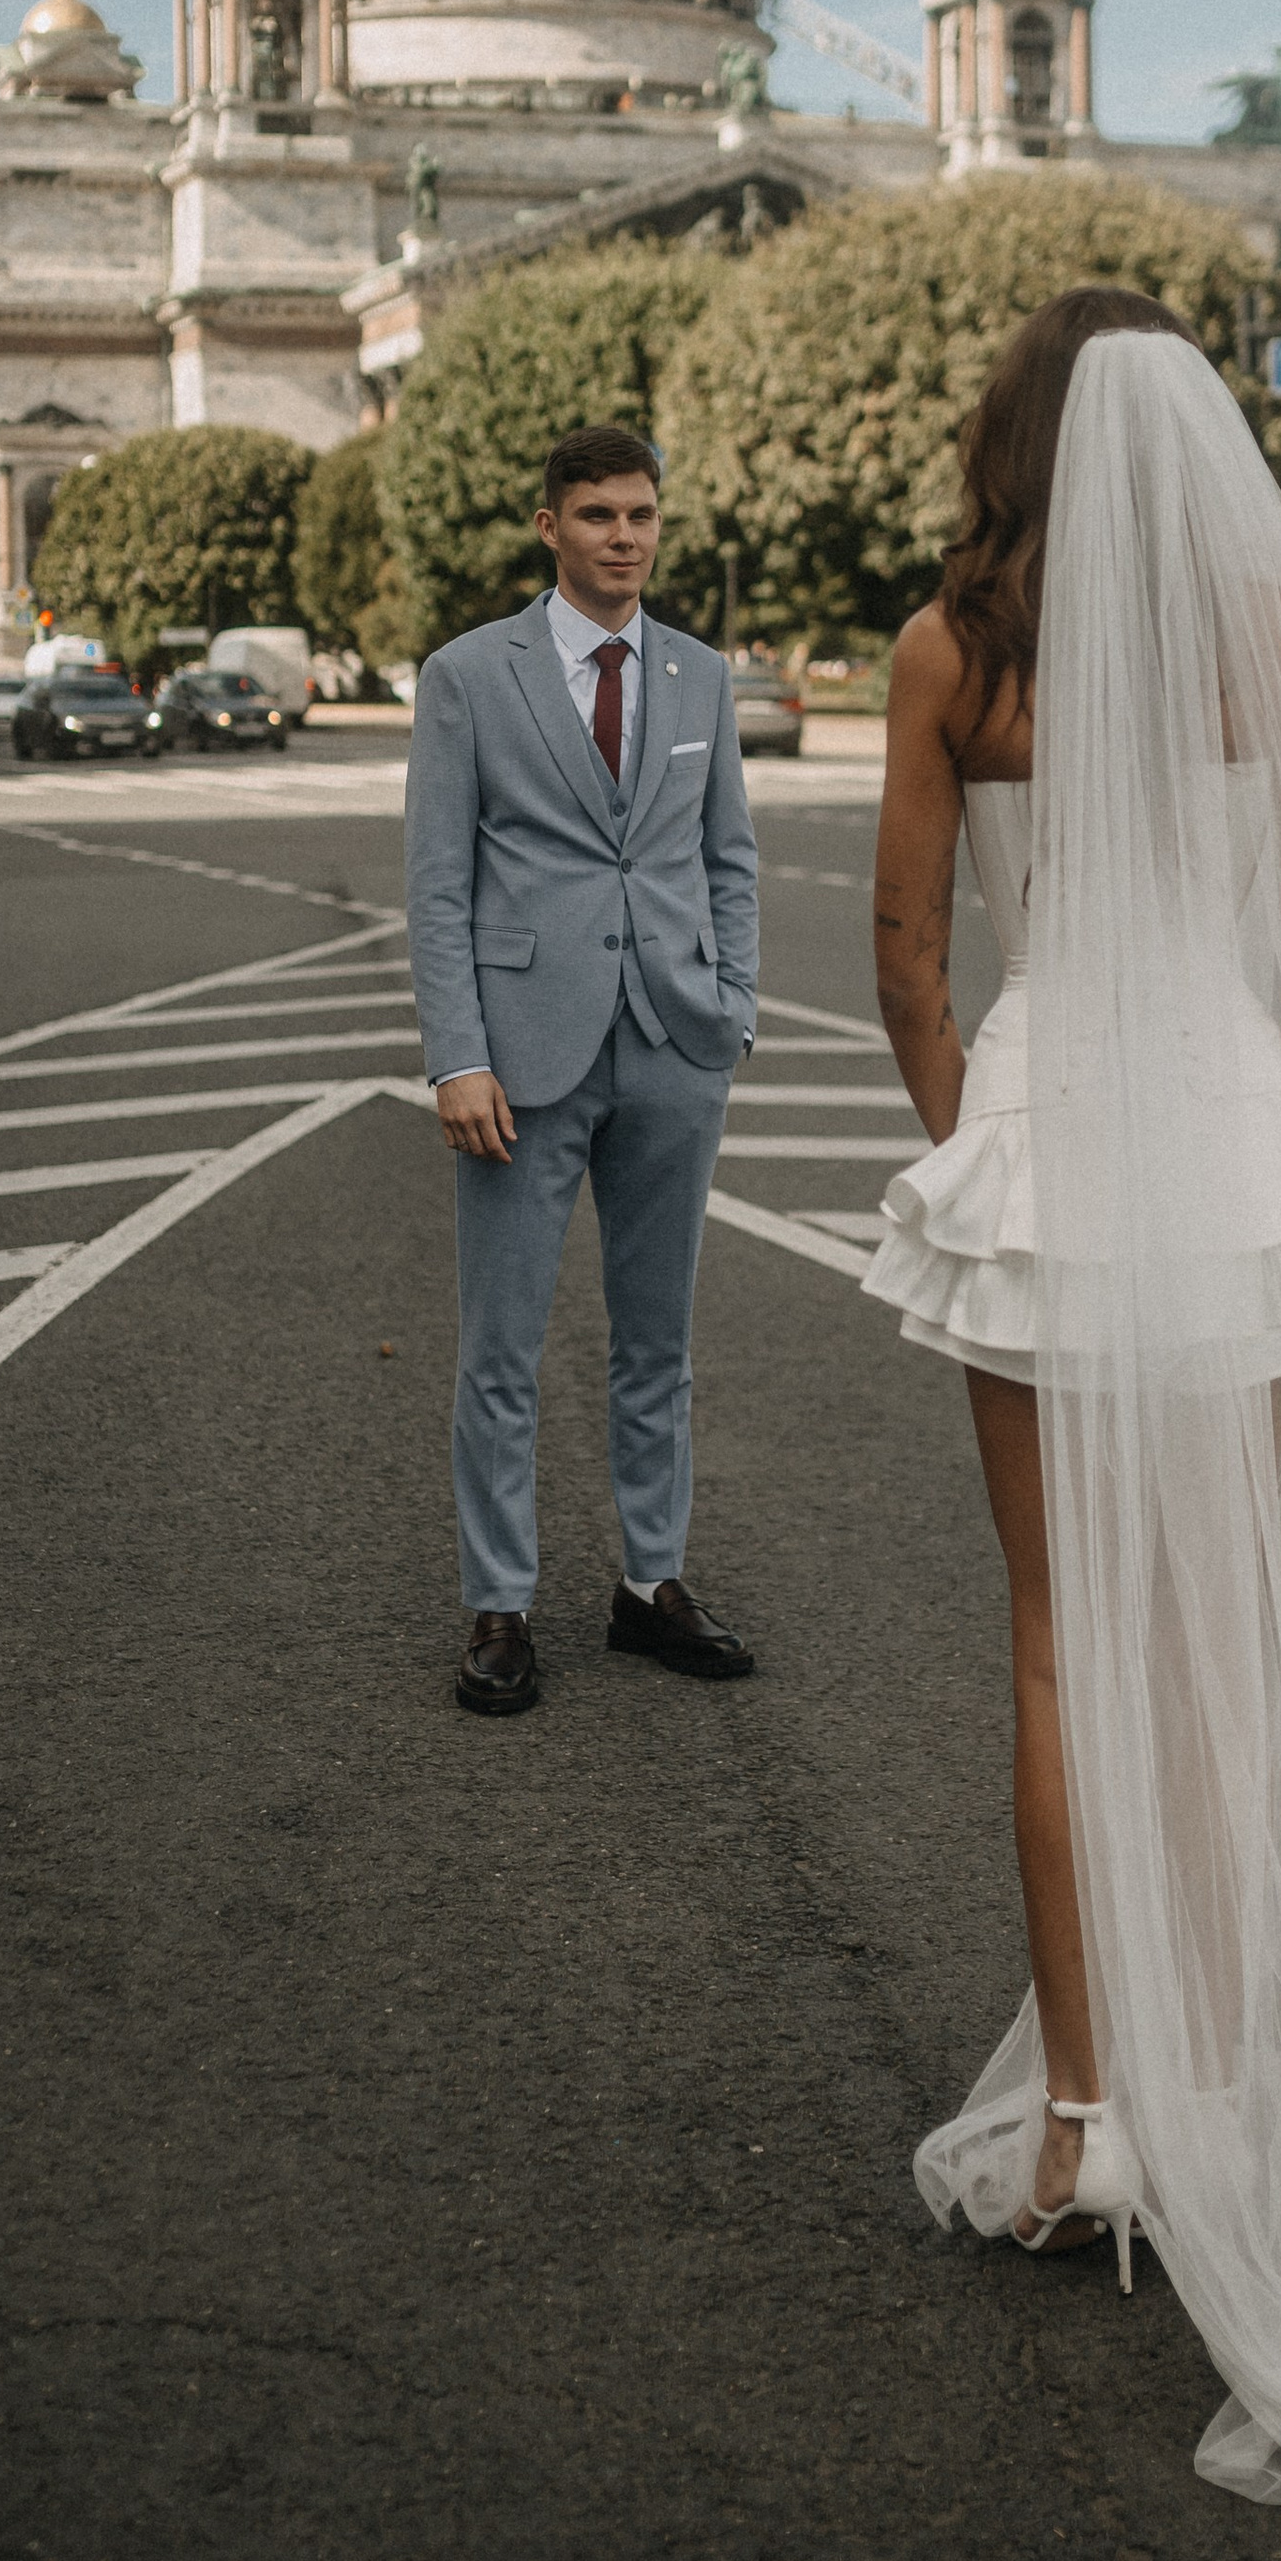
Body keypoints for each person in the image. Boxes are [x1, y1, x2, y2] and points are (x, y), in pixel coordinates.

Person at [862, 288, 1281, 2523]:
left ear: (1014, 431)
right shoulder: (1265, 633)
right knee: (1219, 1644)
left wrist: (985, 1134)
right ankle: (1229, 2108)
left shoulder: (956, 646)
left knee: (1057, 1643)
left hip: (1052, 1137)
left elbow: (905, 950)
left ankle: (1077, 2123)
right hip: (1237, 1156)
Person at [404, 423, 761, 1718]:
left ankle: (647, 1584)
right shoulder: (467, 676)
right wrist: (458, 1056)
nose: (625, 536)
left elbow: (730, 854)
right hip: (522, 1058)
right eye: (599, 514)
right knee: (503, 1346)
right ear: (549, 524)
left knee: (656, 1343)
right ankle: (499, 1606)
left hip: (673, 1044)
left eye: (643, 515)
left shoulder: (702, 676)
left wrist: (736, 1008)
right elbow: (438, 886)